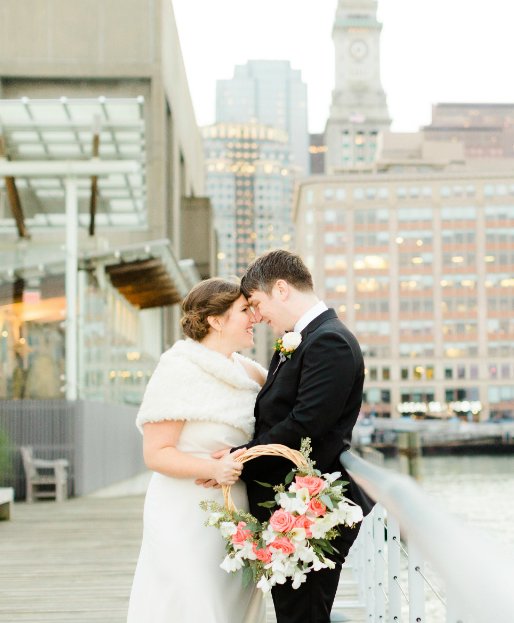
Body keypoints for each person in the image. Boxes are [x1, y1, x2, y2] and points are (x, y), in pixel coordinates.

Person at [201, 249, 374, 623]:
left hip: (310, 513)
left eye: (257, 303)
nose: (257, 316)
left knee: (303, 617)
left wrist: (238, 458)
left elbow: (303, 427)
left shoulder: (330, 341)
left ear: (281, 289)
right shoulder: (304, 338)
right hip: (290, 504)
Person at [127, 277, 267, 623]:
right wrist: (214, 469)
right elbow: (156, 453)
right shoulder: (178, 368)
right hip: (184, 514)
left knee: (232, 607)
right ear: (215, 321)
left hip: (237, 513)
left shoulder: (251, 372)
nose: (255, 318)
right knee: (193, 604)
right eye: (244, 310)